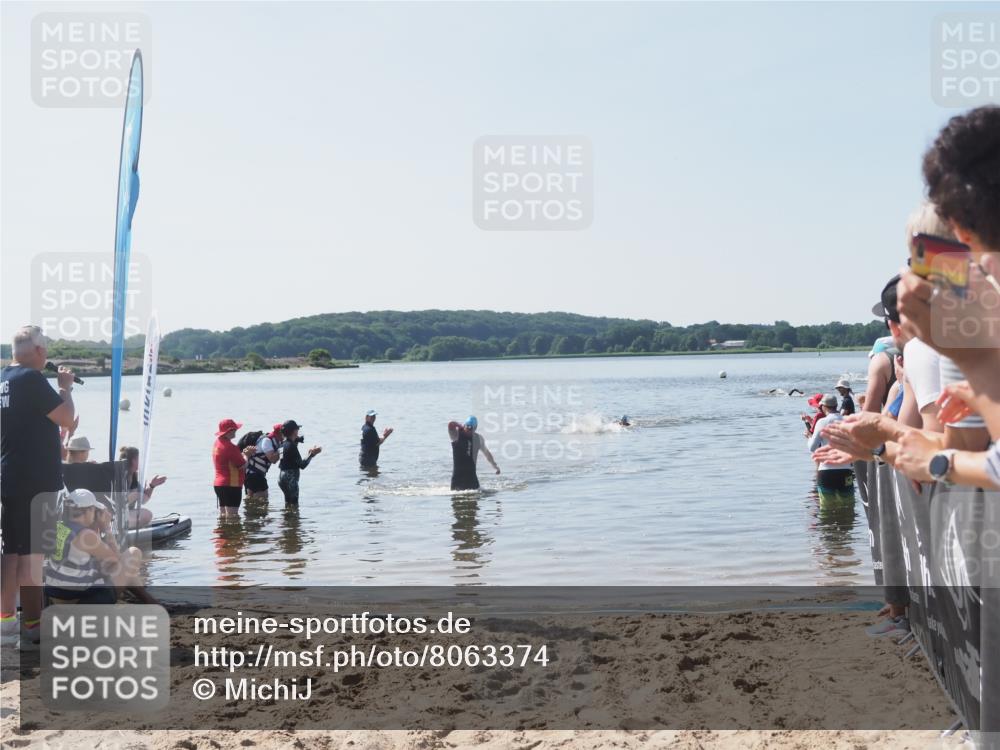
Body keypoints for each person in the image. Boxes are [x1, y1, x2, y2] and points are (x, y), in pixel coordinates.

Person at [1, 325, 77, 649]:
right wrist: (66, 389)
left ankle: (7, 625)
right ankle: (32, 626)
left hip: (10, 474)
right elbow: (68, 419)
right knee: (32, 556)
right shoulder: (32, 379)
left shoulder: (4, 379)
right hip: (35, 479)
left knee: (11, 552)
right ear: (39, 352)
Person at [807, 395, 854, 493]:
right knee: (848, 505)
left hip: (826, 470)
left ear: (824, 406)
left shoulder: (822, 422)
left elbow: (812, 447)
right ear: (836, 405)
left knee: (827, 506)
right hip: (846, 470)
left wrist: (809, 437)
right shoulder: (847, 420)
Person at [213, 418, 255, 516]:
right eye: (235, 429)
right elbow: (243, 465)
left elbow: (229, 460)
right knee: (233, 517)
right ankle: (233, 532)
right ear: (229, 431)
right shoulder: (230, 447)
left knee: (223, 515)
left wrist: (242, 455)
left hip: (219, 485)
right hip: (231, 485)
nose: (236, 430)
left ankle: (223, 531)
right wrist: (247, 455)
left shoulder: (217, 443)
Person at [119, 445, 166, 529]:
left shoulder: (135, 476)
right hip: (116, 515)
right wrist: (135, 494)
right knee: (146, 514)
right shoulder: (119, 475)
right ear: (134, 461)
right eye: (140, 459)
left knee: (147, 514)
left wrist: (152, 486)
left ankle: (130, 527)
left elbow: (143, 500)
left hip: (127, 514)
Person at [448, 416, 500, 492]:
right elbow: (450, 424)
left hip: (472, 479)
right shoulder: (456, 435)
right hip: (457, 479)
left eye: (471, 428)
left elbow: (487, 453)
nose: (469, 430)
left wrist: (495, 466)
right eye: (467, 427)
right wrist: (460, 425)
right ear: (464, 425)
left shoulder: (478, 439)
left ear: (475, 429)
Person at [278, 420, 322, 506]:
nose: (298, 431)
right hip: (290, 479)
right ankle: (293, 519)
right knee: (294, 506)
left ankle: (287, 519)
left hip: (281, 477)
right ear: (294, 431)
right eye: (297, 429)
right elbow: (302, 465)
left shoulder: (282, 444)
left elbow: (286, 459)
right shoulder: (292, 446)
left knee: (287, 504)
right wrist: (312, 454)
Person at [245, 424, 282, 501]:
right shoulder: (267, 441)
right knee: (263, 500)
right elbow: (273, 459)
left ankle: (248, 512)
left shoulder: (273, 440)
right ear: (280, 433)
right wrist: (282, 449)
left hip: (251, 474)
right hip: (255, 474)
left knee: (250, 500)